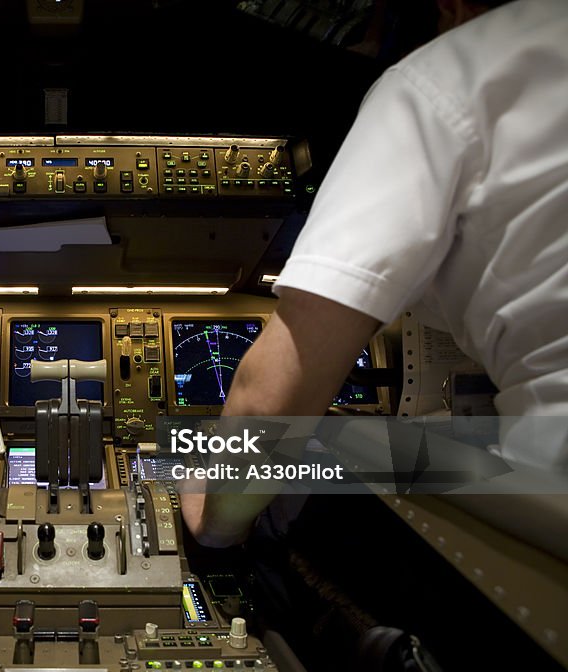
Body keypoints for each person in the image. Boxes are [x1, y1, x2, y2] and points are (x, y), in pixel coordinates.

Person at [183, 0, 568, 547]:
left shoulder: (441, 76)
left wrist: (214, 523)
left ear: (452, 7)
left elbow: (273, 396)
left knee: (353, 439)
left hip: (553, 473)